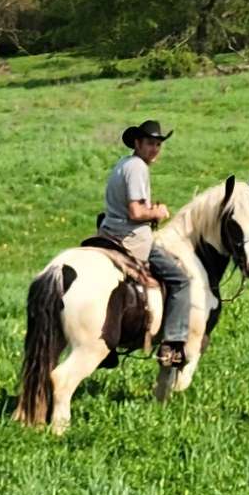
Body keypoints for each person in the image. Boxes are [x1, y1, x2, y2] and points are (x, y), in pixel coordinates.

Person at [99, 119, 190, 367]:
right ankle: (172, 344)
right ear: (137, 143)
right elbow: (136, 213)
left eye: (158, 144)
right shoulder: (138, 167)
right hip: (132, 239)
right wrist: (158, 212)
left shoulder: (123, 164)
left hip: (108, 233)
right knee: (180, 281)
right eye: (150, 143)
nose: (155, 149)